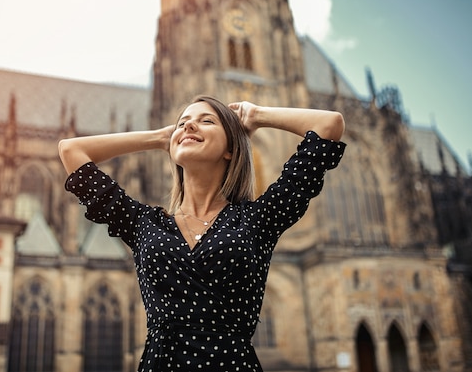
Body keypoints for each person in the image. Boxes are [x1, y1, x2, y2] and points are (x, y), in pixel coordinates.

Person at [59, 96, 346, 371]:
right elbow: (71, 151)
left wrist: (255, 116)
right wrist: (161, 137)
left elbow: (329, 126)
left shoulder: (258, 220)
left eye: (207, 121)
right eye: (183, 122)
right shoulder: (145, 224)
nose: (188, 126)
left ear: (230, 149)